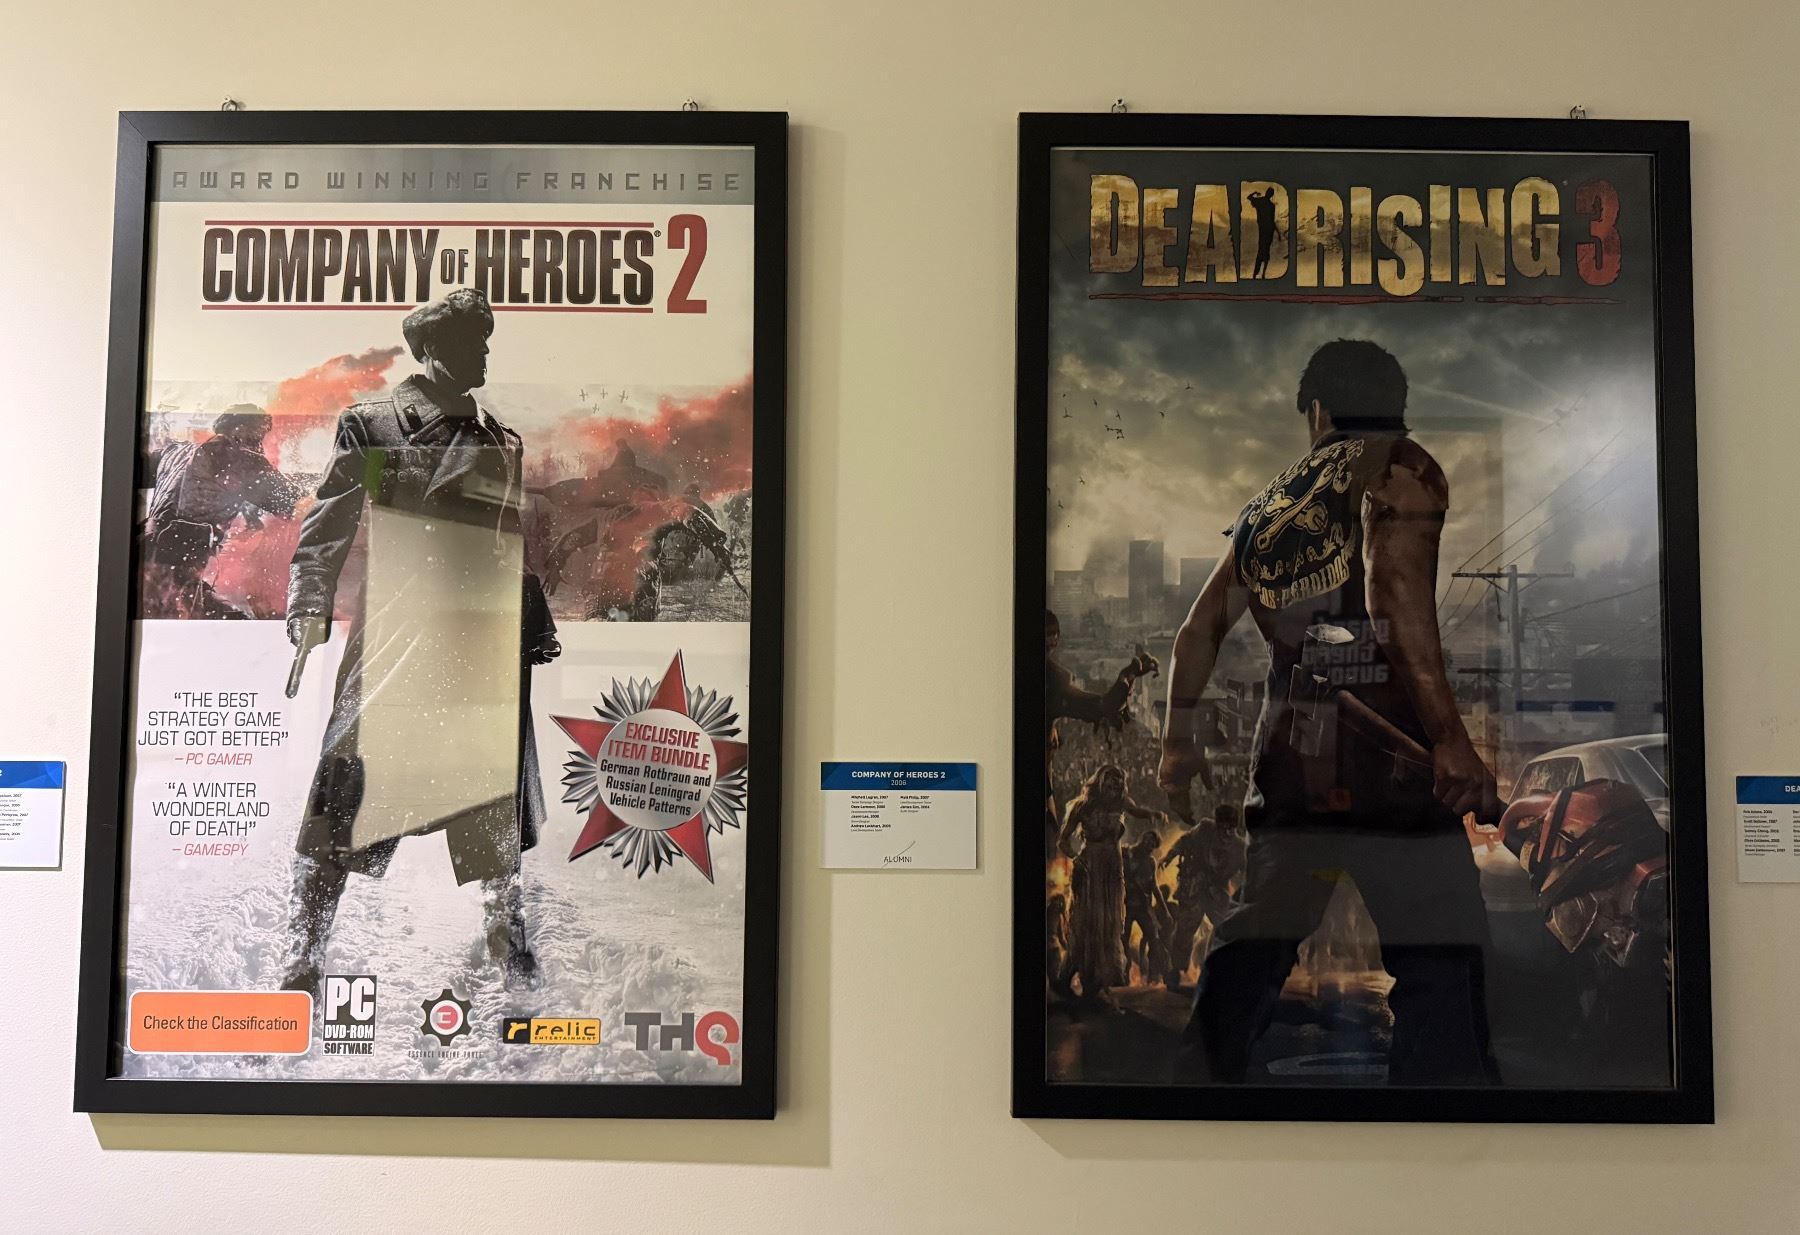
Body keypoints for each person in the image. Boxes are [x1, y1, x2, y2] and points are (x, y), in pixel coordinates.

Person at [1158, 338, 1502, 1086]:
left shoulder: (1266, 511)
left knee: (1256, 942)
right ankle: (1446, 1119)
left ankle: (1193, 1092)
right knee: (1441, 950)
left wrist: (1176, 743)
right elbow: (1393, 597)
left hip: (1292, 768)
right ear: (1395, 404)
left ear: (1317, 409)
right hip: (1393, 769)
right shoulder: (1401, 466)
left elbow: (1198, 630)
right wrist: (1449, 738)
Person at [280, 288, 561, 998]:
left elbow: (506, 537)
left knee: (491, 801)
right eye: (471, 340)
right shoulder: (375, 428)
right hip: (399, 636)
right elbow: (330, 524)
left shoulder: (501, 439)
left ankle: (507, 940)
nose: (485, 352)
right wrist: (309, 605)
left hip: (479, 641)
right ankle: (304, 954)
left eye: (486, 340)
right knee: (346, 792)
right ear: (432, 347)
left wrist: (532, 609)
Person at [142, 405, 303, 618]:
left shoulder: (173, 452)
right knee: (231, 623)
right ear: (240, 429)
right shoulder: (238, 458)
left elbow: (130, 471)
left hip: (147, 562)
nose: (260, 443)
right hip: (175, 568)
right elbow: (293, 504)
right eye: (259, 434)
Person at [1057, 764, 1162, 1007]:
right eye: (1109, 785)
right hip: (1090, 869)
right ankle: (1077, 977)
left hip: (1112, 870)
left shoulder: (1121, 803)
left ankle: (1096, 982)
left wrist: (1153, 814)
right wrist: (1076, 859)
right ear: (1100, 784)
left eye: (1117, 786)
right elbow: (1063, 840)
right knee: (1088, 923)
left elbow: (1137, 811)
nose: (1113, 790)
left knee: (1109, 924)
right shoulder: (1082, 806)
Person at [1160, 802, 1246, 985]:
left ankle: (1219, 970)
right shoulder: (1206, 828)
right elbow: (1185, 840)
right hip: (1195, 887)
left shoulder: (1240, 848)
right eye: (1223, 828)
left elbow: (1251, 872)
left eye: (1230, 829)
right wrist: (1171, 854)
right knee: (1185, 930)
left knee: (1228, 929)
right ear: (1217, 825)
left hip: (1217, 892)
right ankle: (1177, 970)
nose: (1226, 833)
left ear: (1236, 828)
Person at [1121, 831, 1174, 984]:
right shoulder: (1126, 854)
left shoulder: (1151, 862)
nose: (1149, 845)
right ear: (1142, 838)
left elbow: (1154, 886)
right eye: (1148, 840)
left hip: (1143, 907)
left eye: (1153, 844)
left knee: (1154, 939)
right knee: (1123, 941)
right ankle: (1124, 975)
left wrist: (1165, 910)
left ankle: (1153, 975)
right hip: (1126, 906)